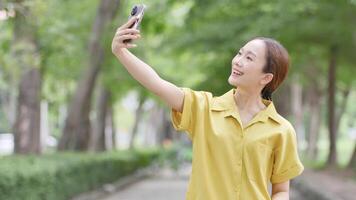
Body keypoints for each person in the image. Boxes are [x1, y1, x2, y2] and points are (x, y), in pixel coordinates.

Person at [112, 16, 304, 200]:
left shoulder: (281, 130)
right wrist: (121, 52)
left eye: (249, 58)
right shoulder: (203, 108)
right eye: (239, 53)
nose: (237, 61)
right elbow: (157, 84)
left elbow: (281, 190)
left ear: (266, 78)